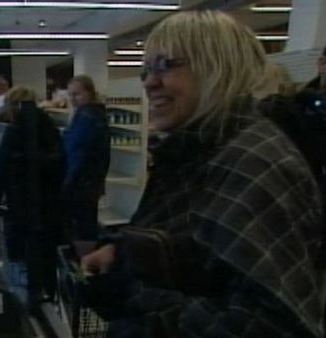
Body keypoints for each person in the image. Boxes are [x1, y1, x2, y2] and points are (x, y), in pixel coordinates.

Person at [81, 11, 325, 338]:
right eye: (146, 70)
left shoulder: (249, 162)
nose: (149, 83)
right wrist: (123, 253)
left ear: (217, 68)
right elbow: (200, 253)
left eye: (166, 66)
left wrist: (134, 294)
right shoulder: (198, 148)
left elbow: (268, 325)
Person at [0, 86, 65, 296]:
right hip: (45, 203)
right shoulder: (43, 123)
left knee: (26, 255)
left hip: (26, 202)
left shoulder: (11, 124)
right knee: (44, 255)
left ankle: (36, 291)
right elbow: (58, 161)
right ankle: (47, 292)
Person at [62, 75, 110, 240]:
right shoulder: (96, 114)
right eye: (70, 95)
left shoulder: (86, 117)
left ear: (90, 93)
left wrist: (66, 183)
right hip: (91, 181)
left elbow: (76, 152)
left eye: (77, 94)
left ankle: (85, 262)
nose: (73, 99)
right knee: (87, 223)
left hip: (81, 183)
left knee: (81, 228)